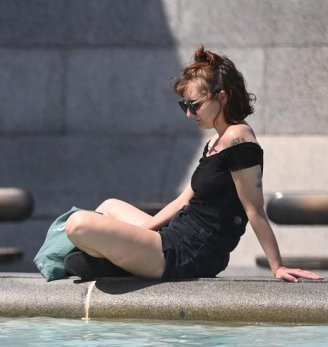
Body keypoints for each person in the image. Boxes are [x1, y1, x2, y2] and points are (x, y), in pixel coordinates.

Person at [64, 47, 322, 283]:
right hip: (173, 237)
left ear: (221, 97)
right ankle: (121, 260)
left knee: (78, 224)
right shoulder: (214, 141)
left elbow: (254, 209)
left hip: (189, 252)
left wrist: (277, 266)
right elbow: (183, 201)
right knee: (109, 206)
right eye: (184, 106)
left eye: (195, 105)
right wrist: (136, 233)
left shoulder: (239, 138)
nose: (189, 114)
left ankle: (118, 261)